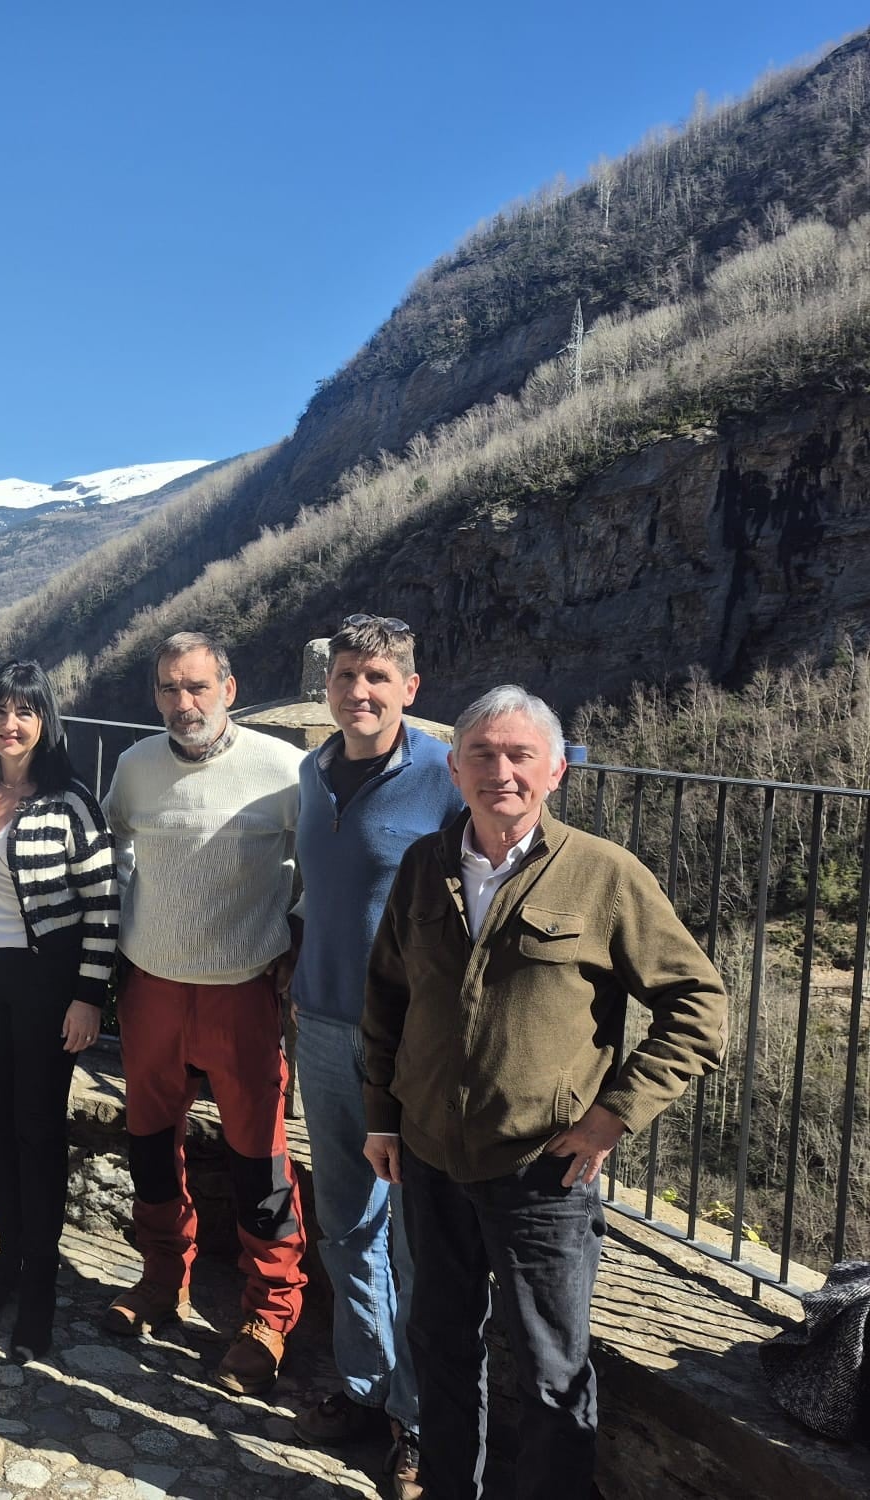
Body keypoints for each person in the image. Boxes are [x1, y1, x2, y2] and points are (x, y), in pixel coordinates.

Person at [362, 685, 728, 1500]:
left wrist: (612, 1117)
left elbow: (700, 1006)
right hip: (426, 1157)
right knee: (441, 1349)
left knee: (551, 1370)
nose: (502, 771)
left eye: (520, 754)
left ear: (555, 770)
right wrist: (381, 1117)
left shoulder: (604, 877)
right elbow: (386, 998)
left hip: (541, 1173)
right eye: (483, 755)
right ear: (454, 769)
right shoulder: (425, 866)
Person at [100, 630, 307, 1394]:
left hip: (241, 993)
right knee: (151, 1147)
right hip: (150, 987)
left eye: (196, 687)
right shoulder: (135, 766)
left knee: (260, 1161)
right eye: (167, 689)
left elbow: (318, 864)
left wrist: (300, 939)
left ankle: (271, 1313)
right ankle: (162, 1280)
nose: (182, 704)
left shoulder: (283, 771)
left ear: (229, 686)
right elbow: (114, 849)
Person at [289, 615, 464, 1499]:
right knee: (344, 1219)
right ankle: (364, 1389)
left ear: (410, 687)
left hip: (408, 1042)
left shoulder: (445, 778)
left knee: (411, 1237)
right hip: (319, 1024)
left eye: (377, 677)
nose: (359, 691)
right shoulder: (310, 772)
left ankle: (419, 1425)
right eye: (346, 675)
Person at [0, 659, 118, 1361]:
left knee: (39, 1131)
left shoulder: (71, 801)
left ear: (45, 723)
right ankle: (9, 1257)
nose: (9, 725)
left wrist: (88, 996)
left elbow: (103, 909)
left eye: (25, 713)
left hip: (47, 981)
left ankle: (40, 1281)